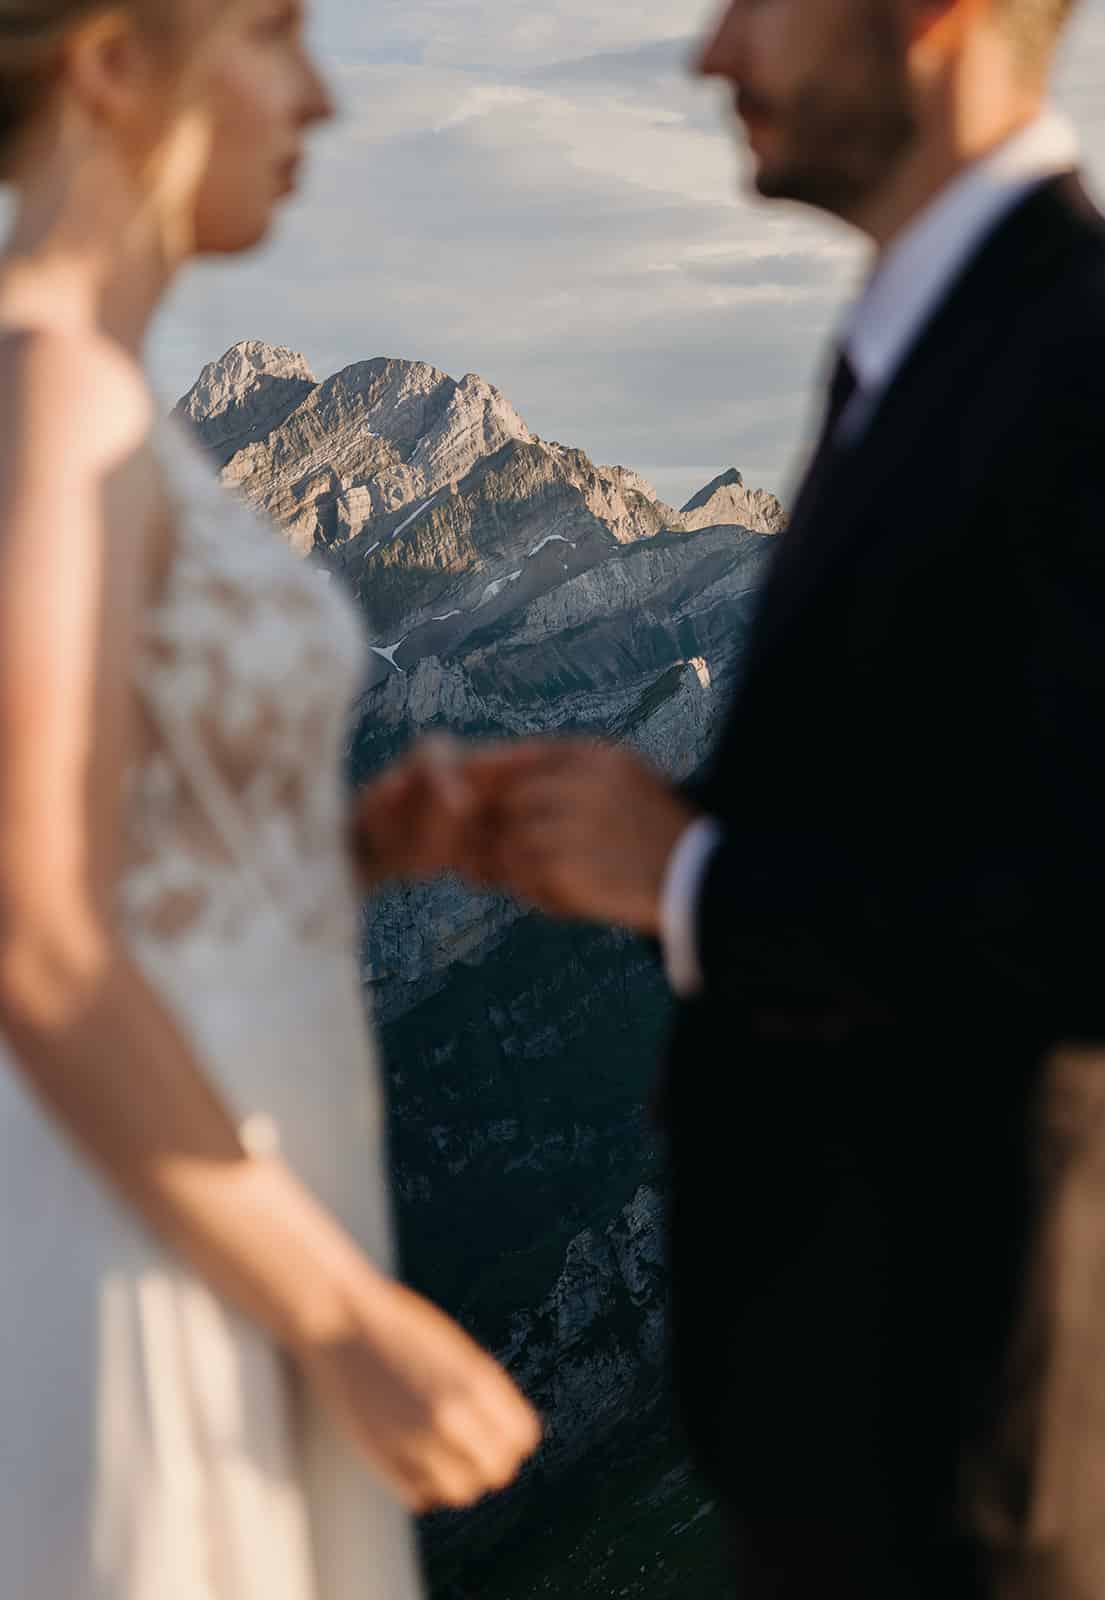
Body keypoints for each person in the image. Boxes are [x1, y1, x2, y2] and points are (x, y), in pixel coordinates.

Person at [368, 0, 1105, 1592]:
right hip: (855, 1435)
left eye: (756, 4)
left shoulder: (1071, 358)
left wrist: (688, 882)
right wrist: (642, 849)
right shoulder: (930, 353)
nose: (709, 59)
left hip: (981, 1444)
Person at [0, 3, 539, 1596]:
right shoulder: (50, 395)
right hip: (156, 1244)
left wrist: (344, 854)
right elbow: (33, 928)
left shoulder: (93, 398)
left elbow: (131, 875)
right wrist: (345, 1318)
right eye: (268, 32)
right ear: (110, 65)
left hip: (223, 1194)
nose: (316, 91)